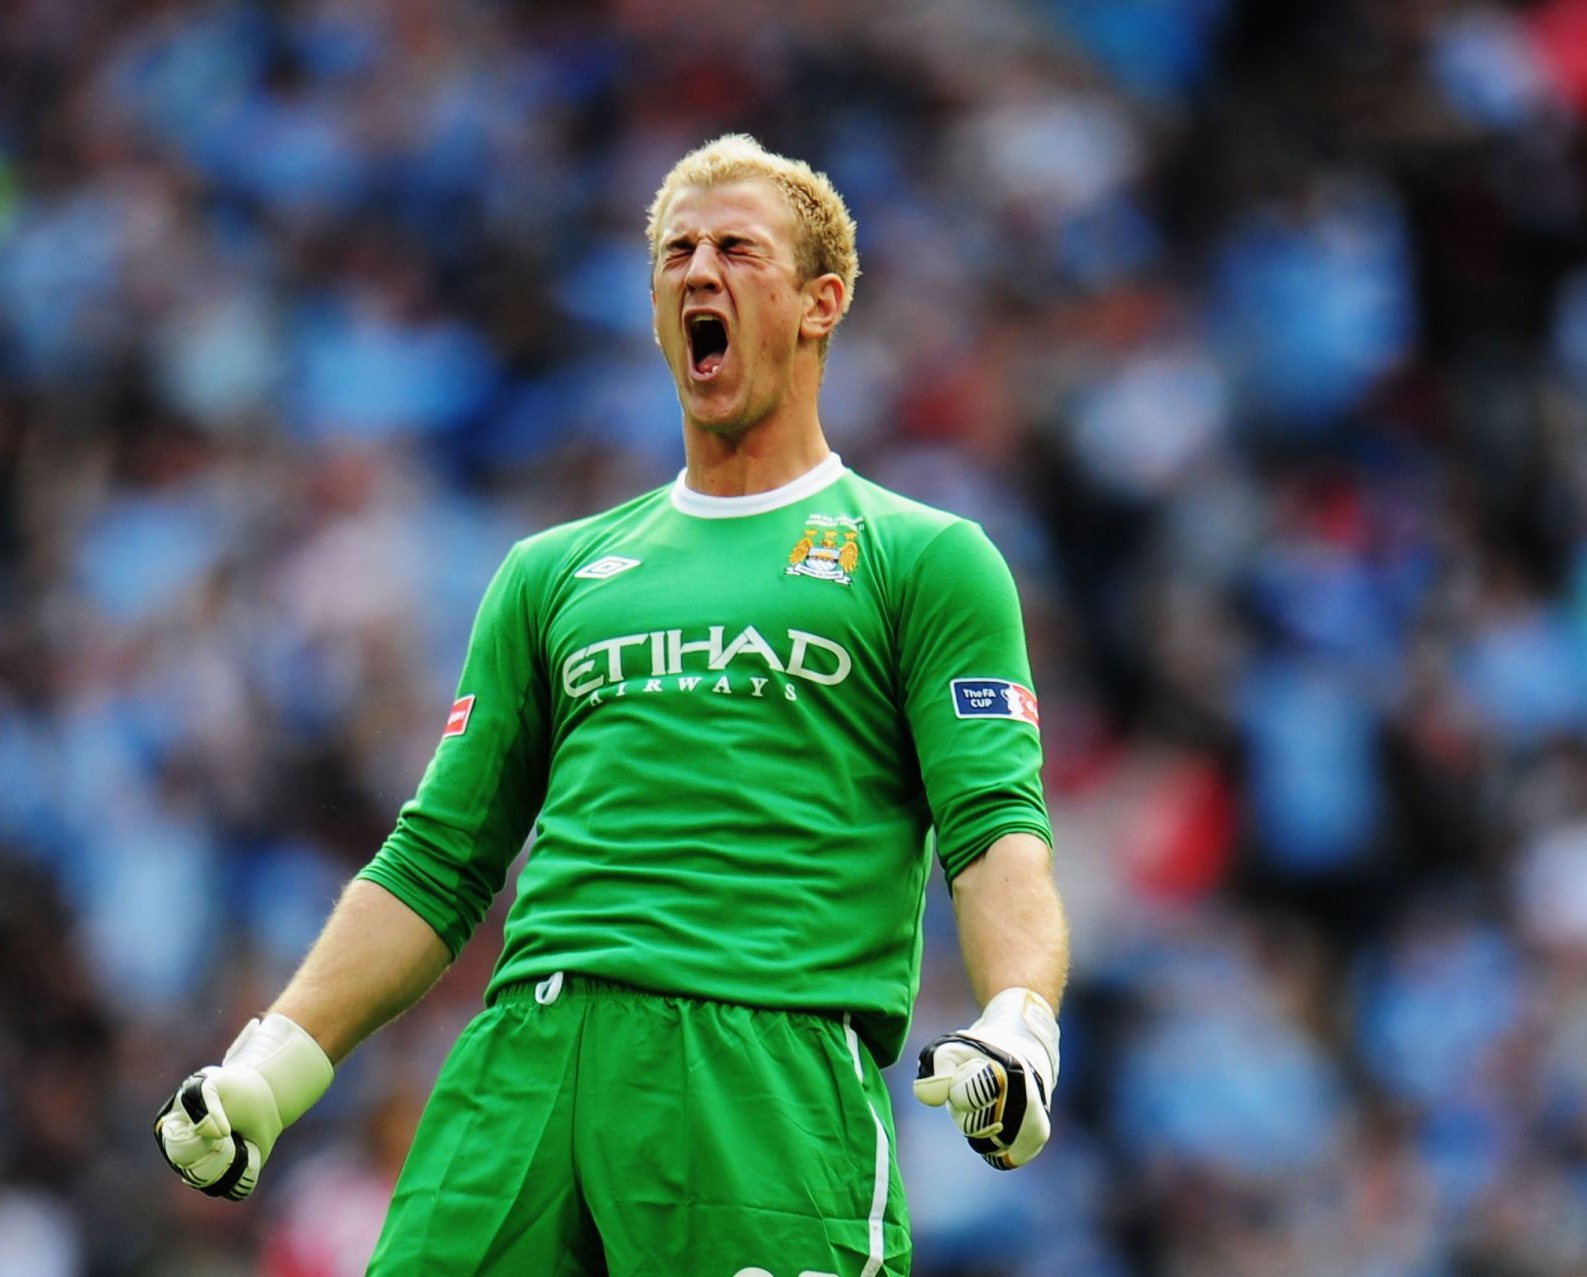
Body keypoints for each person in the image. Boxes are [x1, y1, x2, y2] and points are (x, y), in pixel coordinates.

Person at [154, 134, 1070, 1277]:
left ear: (821, 301)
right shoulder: (552, 570)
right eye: (677, 254)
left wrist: (1020, 1019)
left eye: (737, 249)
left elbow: (995, 833)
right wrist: (272, 1064)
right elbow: (437, 859)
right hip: (527, 1057)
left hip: (763, 1058)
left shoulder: (925, 558)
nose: (699, 272)